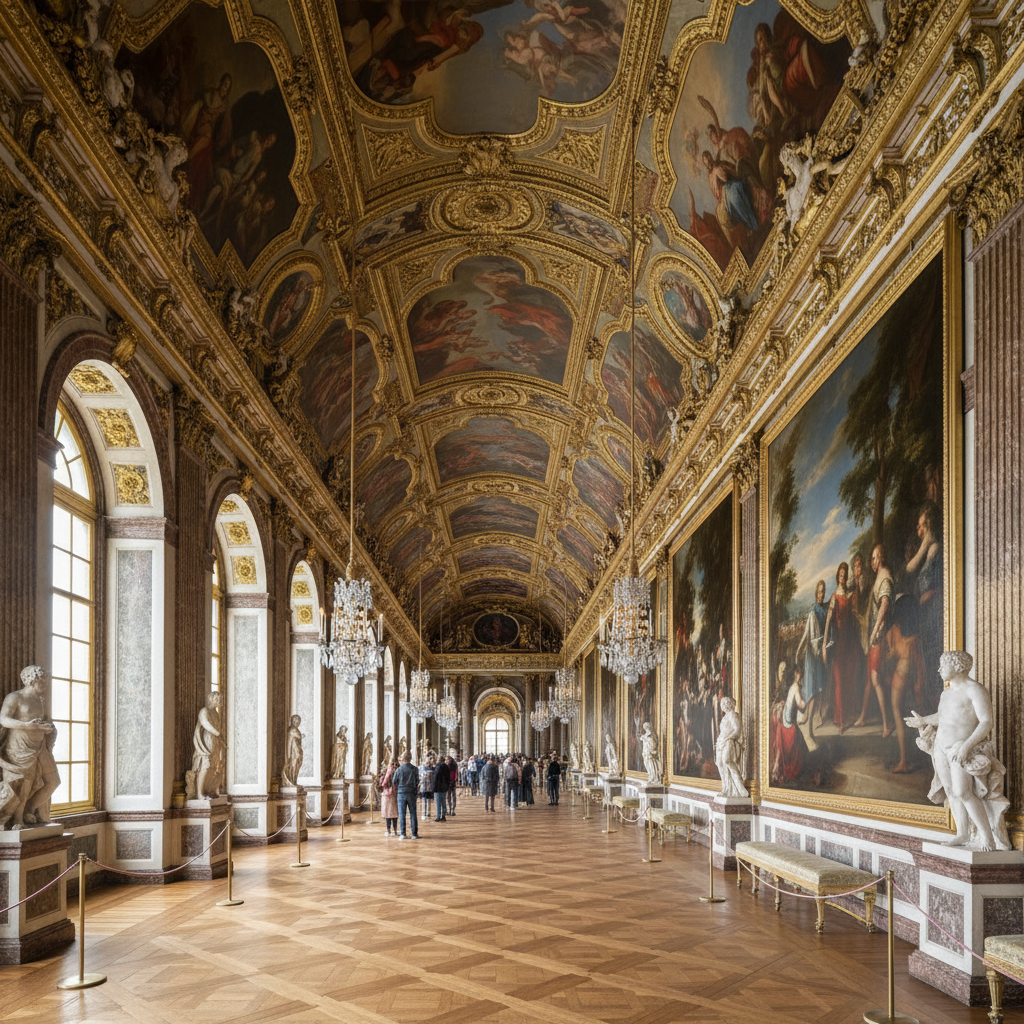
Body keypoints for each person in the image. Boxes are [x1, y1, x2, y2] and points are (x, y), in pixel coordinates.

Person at [905, 651, 1010, 851]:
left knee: (964, 792)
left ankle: (987, 838)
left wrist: (966, 746)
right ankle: (962, 833)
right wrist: (924, 721)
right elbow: (943, 717)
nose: (939, 670)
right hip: (941, 748)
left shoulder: (974, 690)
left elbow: (987, 722)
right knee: (952, 792)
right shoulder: (947, 693)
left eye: (943, 665)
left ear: (959, 666)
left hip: (960, 748)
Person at [0, 666, 59, 830]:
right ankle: (18, 819)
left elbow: (41, 722)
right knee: (22, 785)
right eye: (43, 682)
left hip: (38, 747)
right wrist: (26, 726)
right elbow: (3, 719)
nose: (45, 685)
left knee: (51, 781)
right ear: (32, 681)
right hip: (18, 747)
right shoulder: (15, 697)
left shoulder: (39, 701)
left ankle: (28, 810)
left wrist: (47, 727)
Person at [853, 544, 894, 734]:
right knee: (870, 680)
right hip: (875, 637)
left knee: (876, 679)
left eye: (876, 558)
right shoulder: (880, 576)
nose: (872, 562)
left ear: (883, 558)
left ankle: (887, 724)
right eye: (872, 558)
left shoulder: (885, 578)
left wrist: (874, 630)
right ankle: (863, 716)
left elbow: (884, 606)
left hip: (880, 637)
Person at [823, 561, 861, 733]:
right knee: (838, 681)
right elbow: (828, 621)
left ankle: (847, 715)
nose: (843, 578)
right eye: (841, 575)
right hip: (839, 644)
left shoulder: (850, 595)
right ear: (837, 576)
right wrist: (824, 645)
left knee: (848, 679)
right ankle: (841, 720)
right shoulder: (834, 597)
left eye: (845, 576)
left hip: (850, 644)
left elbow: (854, 618)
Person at [794, 579, 827, 734]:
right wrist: (799, 651)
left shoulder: (824, 612)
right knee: (812, 688)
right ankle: (809, 725)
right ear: (816, 593)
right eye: (819, 591)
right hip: (812, 654)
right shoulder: (813, 612)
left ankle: (815, 719)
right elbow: (808, 635)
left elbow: (826, 634)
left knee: (819, 687)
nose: (821, 594)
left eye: (823, 591)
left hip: (820, 652)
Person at [392, 752, 420, 840]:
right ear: (410, 758)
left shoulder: (399, 769)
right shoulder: (415, 769)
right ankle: (414, 834)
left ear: (403, 759)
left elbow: (394, 781)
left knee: (402, 814)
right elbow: (418, 780)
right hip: (411, 793)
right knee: (413, 814)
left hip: (401, 793)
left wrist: (400, 786)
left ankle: (403, 834)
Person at [380, 759, 398, 836]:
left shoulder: (386, 773)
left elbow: (382, 784)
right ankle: (395, 831)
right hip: (394, 794)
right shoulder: (396, 772)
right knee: (394, 814)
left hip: (387, 796)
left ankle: (389, 831)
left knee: (388, 814)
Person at [432, 750, 448, 821]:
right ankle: (443, 816)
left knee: (438, 803)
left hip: (438, 787)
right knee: (443, 802)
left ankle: (438, 816)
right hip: (444, 787)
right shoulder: (446, 767)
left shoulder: (438, 767)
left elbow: (435, 778)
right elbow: (448, 777)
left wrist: (433, 787)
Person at [419, 754, 436, 819]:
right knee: (424, 800)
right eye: (427, 763)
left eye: (428, 763)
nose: (428, 764)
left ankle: (428, 813)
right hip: (425, 787)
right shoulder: (423, 769)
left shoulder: (424, 769)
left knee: (428, 801)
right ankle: (424, 813)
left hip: (428, 787)